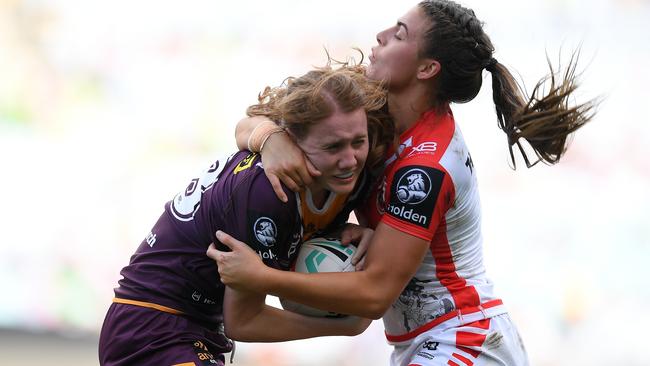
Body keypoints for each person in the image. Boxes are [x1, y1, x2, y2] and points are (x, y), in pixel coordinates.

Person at [208, 1, 597, 365]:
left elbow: (376, 294)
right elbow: (250, 121)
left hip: (464, 340)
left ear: (426, 69)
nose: (380, 35)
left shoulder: (425, 168)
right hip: (424, 342)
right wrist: (269, 139)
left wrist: (263, 278)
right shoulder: (368, 105)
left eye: (399, 34)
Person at [98, 63, 394, 366]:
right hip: (151, 328)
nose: (349, 160)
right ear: (293, 139)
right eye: (333, 147)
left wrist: (345, 231)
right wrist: (342, 327)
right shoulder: (269, 195)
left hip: (198, 329)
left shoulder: (353, 176)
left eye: (358, 141)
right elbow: (244, 321)